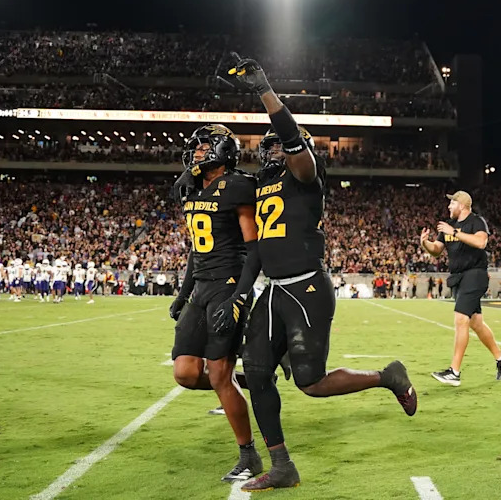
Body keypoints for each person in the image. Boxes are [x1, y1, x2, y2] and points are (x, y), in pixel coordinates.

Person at [212, 54, 417, 492]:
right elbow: (242, 223)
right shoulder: (262, 184)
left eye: (276, 146)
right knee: (258, 373)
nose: (269, 152)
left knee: (311, 383)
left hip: (306, 288)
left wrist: (265, 91)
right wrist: (241, 293)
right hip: (273, 292)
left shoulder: (306, 174)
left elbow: (290, 141)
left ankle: (388, 376)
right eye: (265, 147)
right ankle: (281, 464)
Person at [167, 124, 263, 484]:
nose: (196, 153)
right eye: (195, 148)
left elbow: (254, 250)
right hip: (202, 287)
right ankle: (245, 379)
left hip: (227, 284)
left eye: (204, 147)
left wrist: (239, 297)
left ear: (223, 151)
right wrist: (183, 292)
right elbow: (196, 250)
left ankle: (248, 455)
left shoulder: (238, 185)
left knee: (218, 374)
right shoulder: (192, 189)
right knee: (186, 373)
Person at [421, 190, 501, 387]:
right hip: (458, 278)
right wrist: (425, 243)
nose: (448, 207)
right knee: (476, 323)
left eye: (452, 203)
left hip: (475, 274)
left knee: (461, 319)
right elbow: (436, 251)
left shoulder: (476, 221)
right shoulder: (448, 225)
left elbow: (481, 242)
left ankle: (454, 372)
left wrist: (454, 233)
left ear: (461, 205)